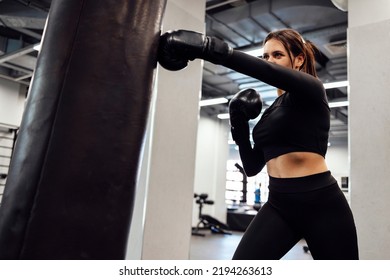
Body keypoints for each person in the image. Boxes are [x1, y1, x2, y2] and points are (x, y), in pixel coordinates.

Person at [157, 28, 359, 260]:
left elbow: (266, 72)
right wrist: (239, 125)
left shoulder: (312, 89)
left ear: (299, 60)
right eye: (266, 56)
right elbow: (252, 167)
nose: (270, 61)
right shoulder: (270, 114)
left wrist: (208, 48)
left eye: (277, 55)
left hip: (321, 202)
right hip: (279, 203)